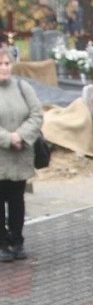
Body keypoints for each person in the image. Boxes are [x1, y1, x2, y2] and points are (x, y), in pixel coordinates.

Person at [0, 46, 44, 261]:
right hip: (2, 156)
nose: (4, 68)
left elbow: (37, 114)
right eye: (0, 64)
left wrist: (21, 135)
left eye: (7, 63)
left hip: (20, 157)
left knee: (17, 200)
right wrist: (9, 139)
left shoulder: (22, 86)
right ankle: (2, 243)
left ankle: (17, 240)